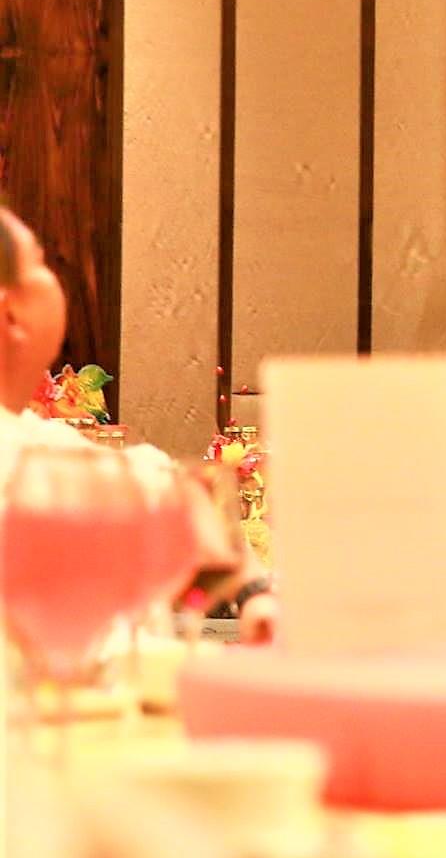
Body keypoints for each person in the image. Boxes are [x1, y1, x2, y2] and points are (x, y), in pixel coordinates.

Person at [0, 205, 277, 640]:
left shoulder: (41, 440)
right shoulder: (38, 466)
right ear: (11, 314)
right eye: (40, 264)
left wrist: (254, 590)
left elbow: (186, 499)